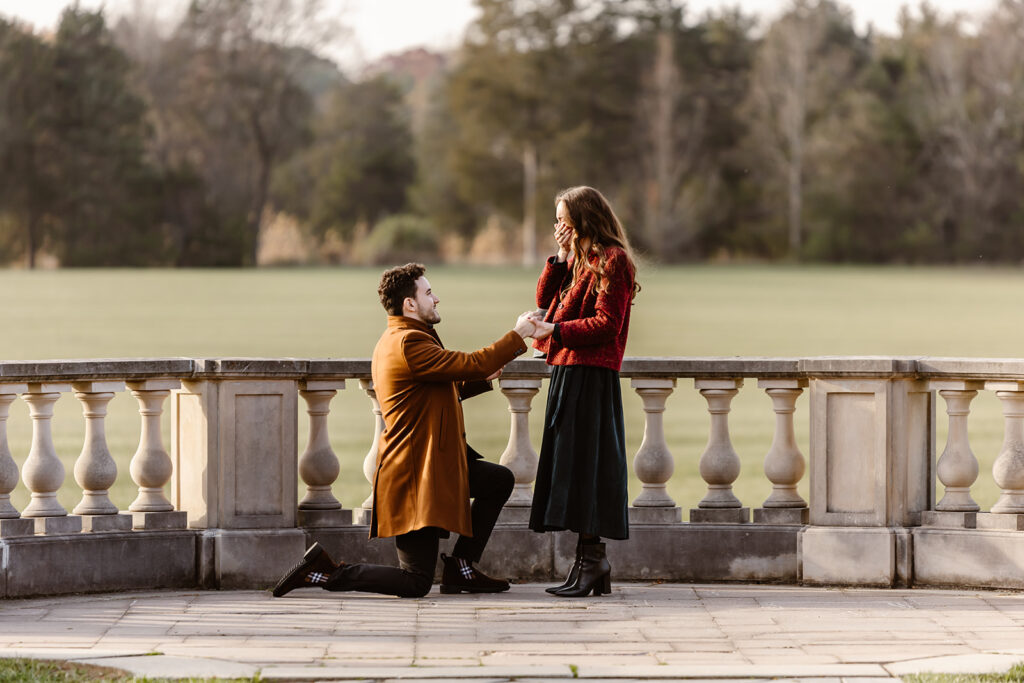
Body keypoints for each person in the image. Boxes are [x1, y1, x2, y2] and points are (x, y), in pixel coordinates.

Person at [273, 263, 550, 598]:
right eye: (429, 293)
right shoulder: (408, 344)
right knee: (415, 582)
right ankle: (326, 573)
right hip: (415, 478)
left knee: (498, 480)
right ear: (410, 304)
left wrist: (483, 376)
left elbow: (437, 386)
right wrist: (519, 333)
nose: (436, 299)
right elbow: (472, 362)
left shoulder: (402, 338)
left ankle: (461, 568)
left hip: (434, 468)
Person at [528, 186, 640, 598]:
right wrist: (560, 258)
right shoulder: (578, 260)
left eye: (563, 220)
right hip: (568, 372)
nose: (558, 227)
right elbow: (545, 300)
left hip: (591, 376)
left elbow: (607, 324)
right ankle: (589, 564)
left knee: (590, 469)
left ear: (583, 220)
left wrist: (555, 330)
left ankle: (592, 563)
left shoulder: (614, 261)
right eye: (556, 221)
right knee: (574, 469)